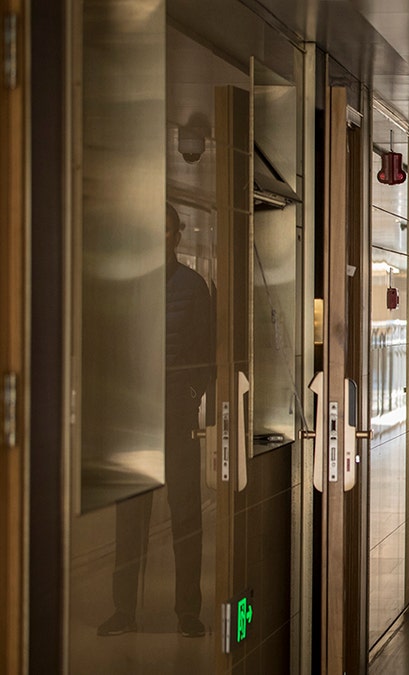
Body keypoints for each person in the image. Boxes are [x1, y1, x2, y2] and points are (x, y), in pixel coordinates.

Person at [98, 204, 214, 638]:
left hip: (176, 419)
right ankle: (123, 610)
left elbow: (206, 353)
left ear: (177, 237)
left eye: (166, 233)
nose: (160, 240)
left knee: (186, 517)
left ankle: (188, 611)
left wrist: (189, 397)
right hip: (134, 420)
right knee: (129, 521)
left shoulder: (194, 287)